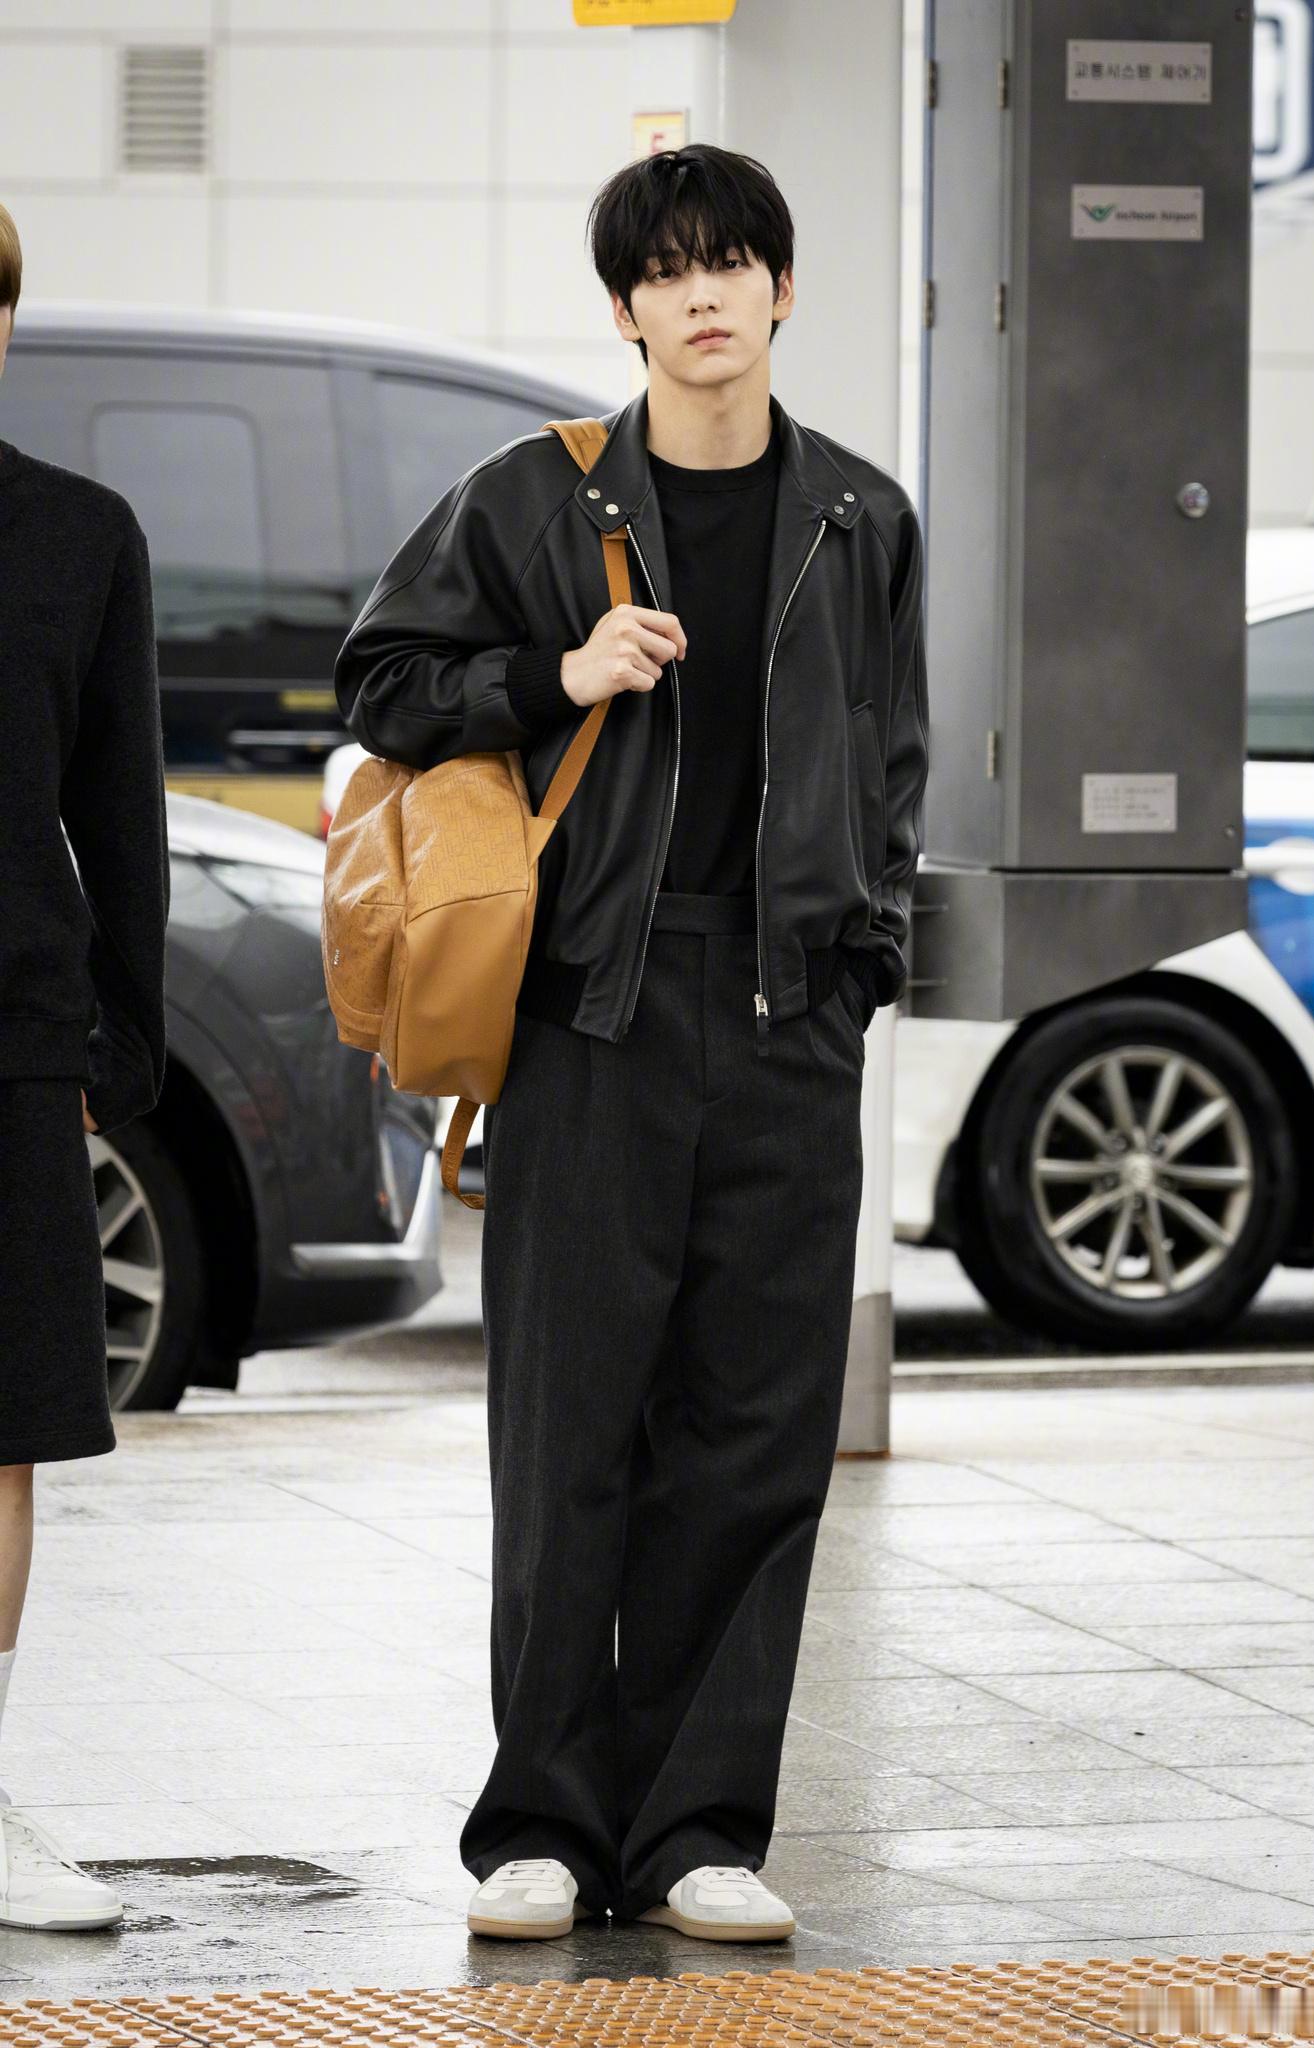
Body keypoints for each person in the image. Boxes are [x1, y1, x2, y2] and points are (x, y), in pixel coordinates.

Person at [334, 142, 928, 1944]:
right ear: (624, 310)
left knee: (753, 1436)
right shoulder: (536, 498)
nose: (699, 295)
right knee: (568, 1426)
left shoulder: (859, 516)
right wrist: (555, 676)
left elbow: (891, 760)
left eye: (727, 262)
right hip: (590, 1008)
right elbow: (380, 683)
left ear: (780, 289)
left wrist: (855, 970)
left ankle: (696, 1832)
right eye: (664, 271)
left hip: (784, 1013)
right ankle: (540, 1824)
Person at [0, 203, 169, 1931]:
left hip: (9, 1040)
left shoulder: (77, 535)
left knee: (4, 1432)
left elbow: (119, 811)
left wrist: (123, 1037)